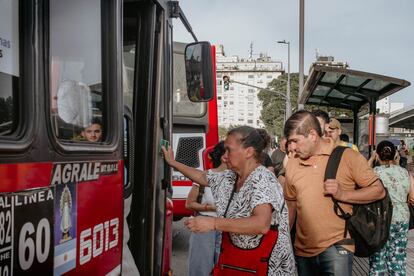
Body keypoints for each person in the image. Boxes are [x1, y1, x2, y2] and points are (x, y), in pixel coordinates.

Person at [162, 126, 296, 275]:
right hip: (244, 265)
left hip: (267, 268)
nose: (224, 157)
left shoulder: (263, 179)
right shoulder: (231, 177)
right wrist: (173, 163)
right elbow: (202, 177)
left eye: (229, 150)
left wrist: (212, 223)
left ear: (249, 152)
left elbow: (261, 224)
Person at [284, 110, 385, 276]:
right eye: (290, 142)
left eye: (295, 141)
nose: (292, 147)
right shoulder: (293, 163)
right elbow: (291, 204)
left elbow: (378, 191)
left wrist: (343, 195)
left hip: (338, 247)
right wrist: (284, 239)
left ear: (312, 134)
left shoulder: (348, 156)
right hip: (302, 251)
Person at [367, 140, 411, 275]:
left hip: (381, 219)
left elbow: (360, 176)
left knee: (378, 260)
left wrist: (371, 159)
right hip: (402, 218)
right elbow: (413, 196)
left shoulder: (374, 172)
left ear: (378, 155)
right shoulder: (404, 172)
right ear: (395, 155)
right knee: (398, 260)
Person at [186, 141, 225, 276]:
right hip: (204, 228)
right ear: (223, 156)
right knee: (200, 269)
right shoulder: (205, 176)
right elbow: (189, 203)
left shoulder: (238, 177)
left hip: (227, 227)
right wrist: (211, 208)